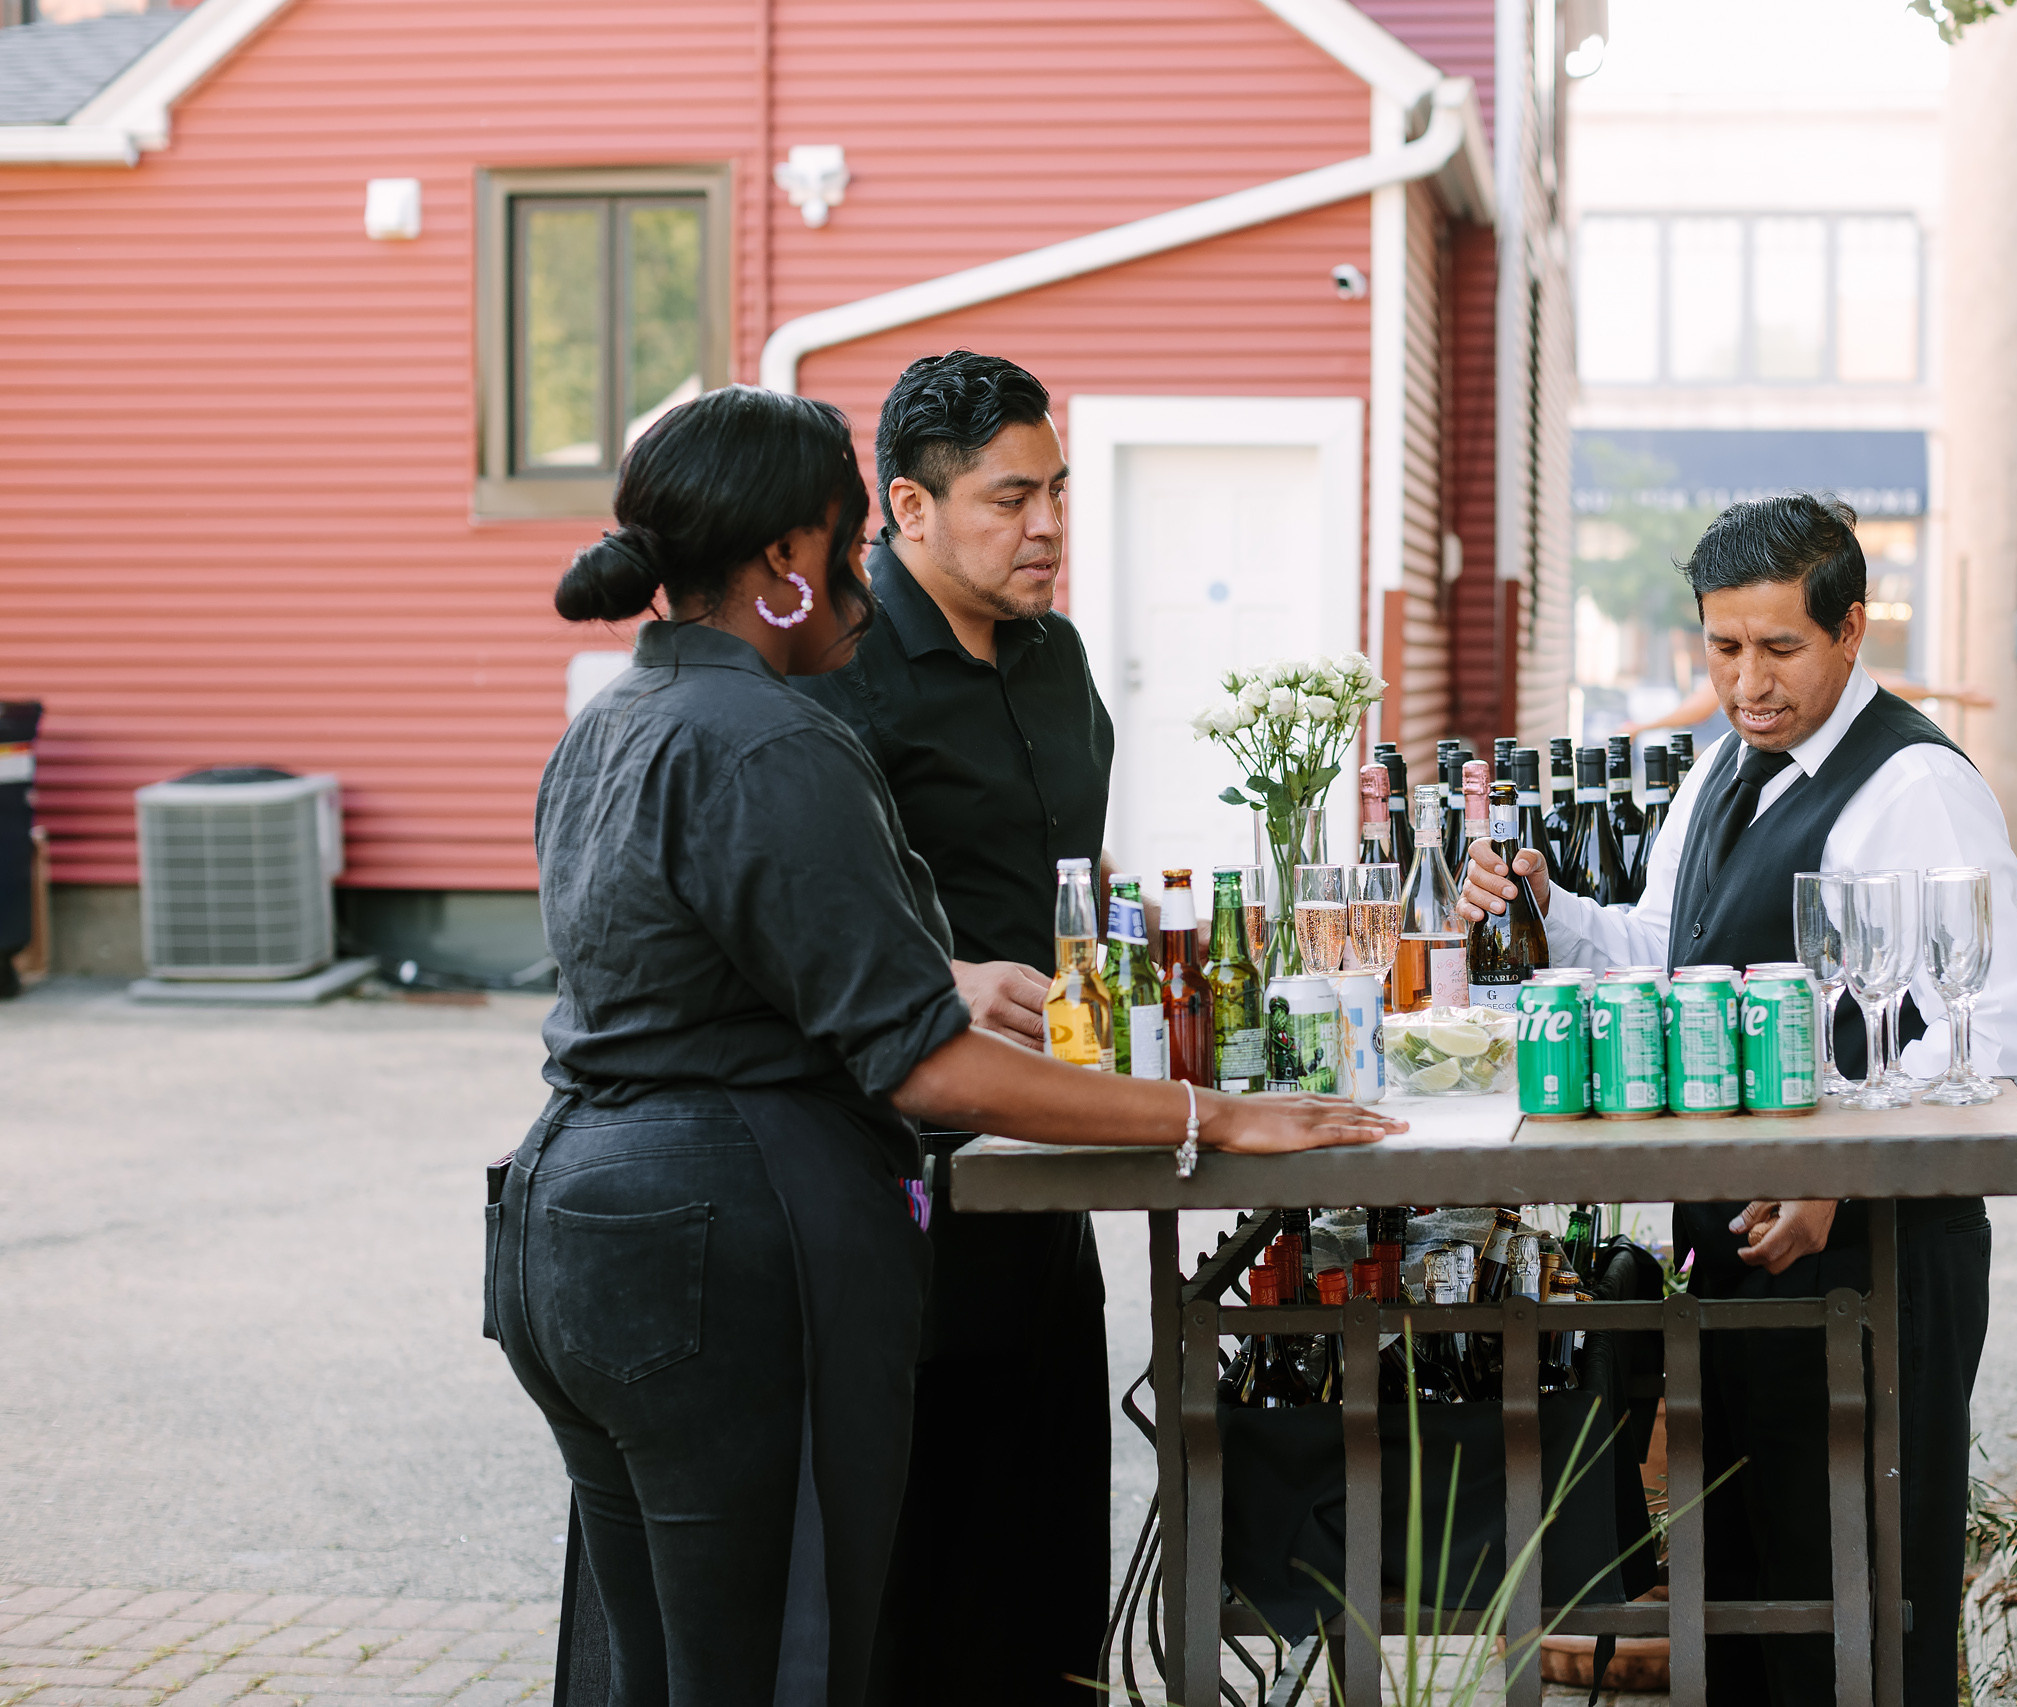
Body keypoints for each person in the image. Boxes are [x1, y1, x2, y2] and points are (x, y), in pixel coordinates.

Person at [488, 383, 1403, 1707]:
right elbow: (919, 1057)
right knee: (790, 1657)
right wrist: (1214, 1117)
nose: (862, 578)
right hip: (725, 1241)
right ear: (789, 563)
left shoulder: (608, 725)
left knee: (652, 1666)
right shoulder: (775, 739)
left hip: (571, 1231)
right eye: (849, 534)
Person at [1457, 492, 2017, 1707]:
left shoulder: (1915, 789)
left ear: (1849, 630)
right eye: (1722, 649)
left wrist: (1835, 1171)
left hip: (1878, 1260)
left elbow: (1999, 1024)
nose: (1747, 682)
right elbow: (1666, 954)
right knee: (1746, 1578)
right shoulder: (1726, 769)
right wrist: (1545, 909)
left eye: (1778, 648)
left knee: (1861, 1584)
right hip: (1741, 1246)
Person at [789, 351, 1121, 1706]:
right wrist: (939, 968)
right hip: (896, 1176)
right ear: (907, 513)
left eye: (1056, 492)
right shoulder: (838, 676)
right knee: (916, 1556)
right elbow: (791, 912)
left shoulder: (1060, 654)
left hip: (1056, 1156)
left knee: (1048, 1533)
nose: (1046, 526)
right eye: (1007, 499)